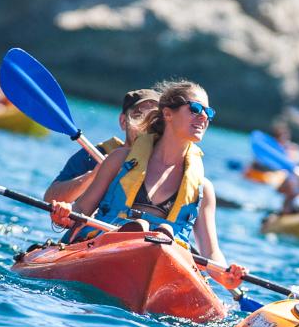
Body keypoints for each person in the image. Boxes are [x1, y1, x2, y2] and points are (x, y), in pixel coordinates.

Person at [48, 81, 245, 290]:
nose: (204, 117)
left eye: (209, 112)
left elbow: (211, 253)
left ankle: (156, 240)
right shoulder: (119, 160)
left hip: (167, 261)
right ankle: (137, 235)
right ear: (168, 114)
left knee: (164, 233)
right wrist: (63, 215)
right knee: (144, 229)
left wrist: (226, 276)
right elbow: (81, 212)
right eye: (195, 109)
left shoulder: (203, 189)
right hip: (106, 245)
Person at [45, 88, 160, 205]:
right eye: (138, 116)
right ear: (123, 121)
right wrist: (93, 176)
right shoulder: (94, 155)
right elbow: (50, 199)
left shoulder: (168, 168)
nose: (145, 125)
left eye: (153, 119)